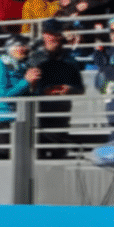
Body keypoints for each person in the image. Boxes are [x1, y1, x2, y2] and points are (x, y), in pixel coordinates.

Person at [30, 18, 83, 155]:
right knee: (37, 156)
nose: (51, 37)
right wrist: (42, 91)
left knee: (59, 155)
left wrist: (70, 90)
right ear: (43, 35)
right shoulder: (33, 58)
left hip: (61, 116)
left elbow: (80, 88)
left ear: (60, 35)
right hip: (38, 115)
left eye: (54, 34)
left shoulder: (70, 60)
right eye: (48, 33)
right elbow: (25, 87)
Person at [0, 34, 33, 124]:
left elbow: (25, 94)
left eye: (26, 45)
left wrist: (33, 86)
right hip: (4, 118)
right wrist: (26, 81)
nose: (24, 49)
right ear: (10, 47)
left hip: (21, 117)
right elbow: (3, 95)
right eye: (20, 45)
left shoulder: (23, 65)